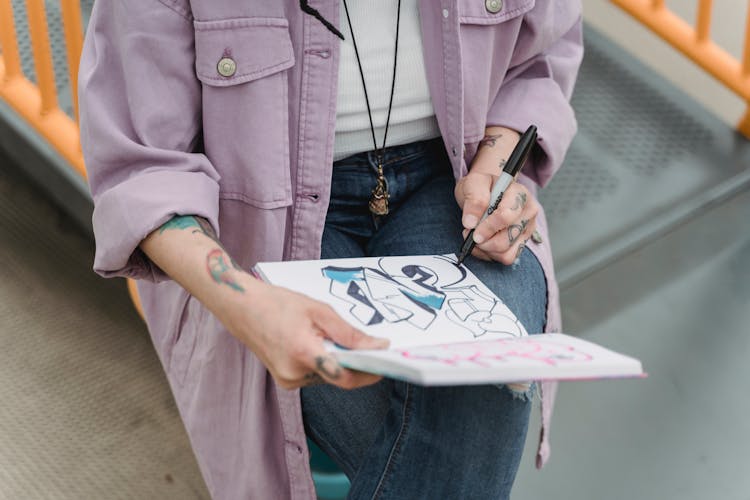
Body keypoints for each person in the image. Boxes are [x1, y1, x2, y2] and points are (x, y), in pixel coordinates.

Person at [79, 0, 582, 498]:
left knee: (485, 386)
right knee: (458, 432)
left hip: (452, 179)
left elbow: (540, 55)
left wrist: (497, 161)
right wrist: (246, 305)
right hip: (263, 221)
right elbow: (143, 168)